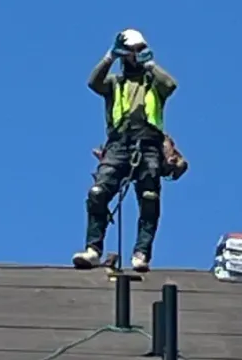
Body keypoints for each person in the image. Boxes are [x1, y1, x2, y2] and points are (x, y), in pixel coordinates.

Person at [74, 29, 180, 272]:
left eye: (138, 50)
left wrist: (150, 64)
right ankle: (93, 249)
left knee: (149, 198)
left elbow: (170, 85)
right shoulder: (114, 83)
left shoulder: (154, 82)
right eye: (130, 51)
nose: (134, 55)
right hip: (118, 144)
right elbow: (93, 82)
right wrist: (109, 57)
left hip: (149, 145)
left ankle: (142, 253)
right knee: (98, 193)